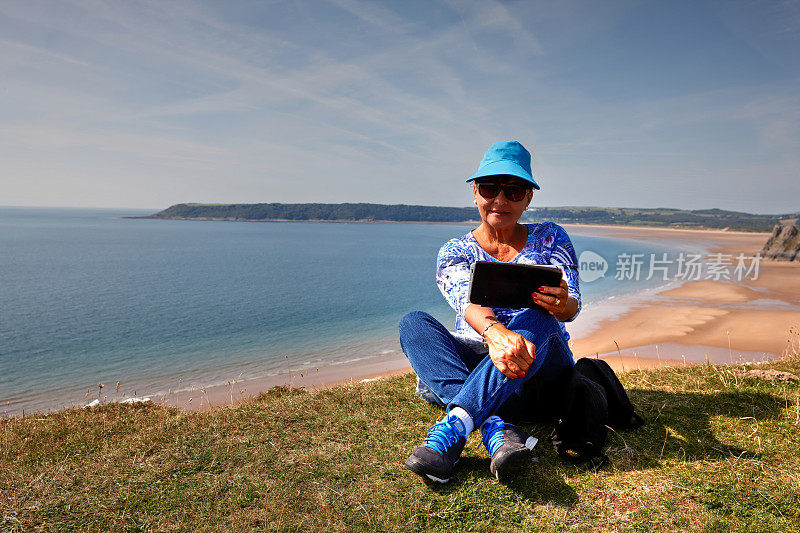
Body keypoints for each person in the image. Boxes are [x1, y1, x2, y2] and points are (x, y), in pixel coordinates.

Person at [399, 140, 581, 483]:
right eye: (489, 188)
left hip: (540, 376)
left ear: (528, 198)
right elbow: (467, 305)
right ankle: (495, 425)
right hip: (485, 360)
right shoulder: (455, 250)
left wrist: (561, 303)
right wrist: (496, 335)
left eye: (513, 191)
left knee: (538, 315)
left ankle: (456, 424)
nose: (500, 200)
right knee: (413, 324)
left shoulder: (552, 237)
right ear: (475, 193)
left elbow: (572, 307)